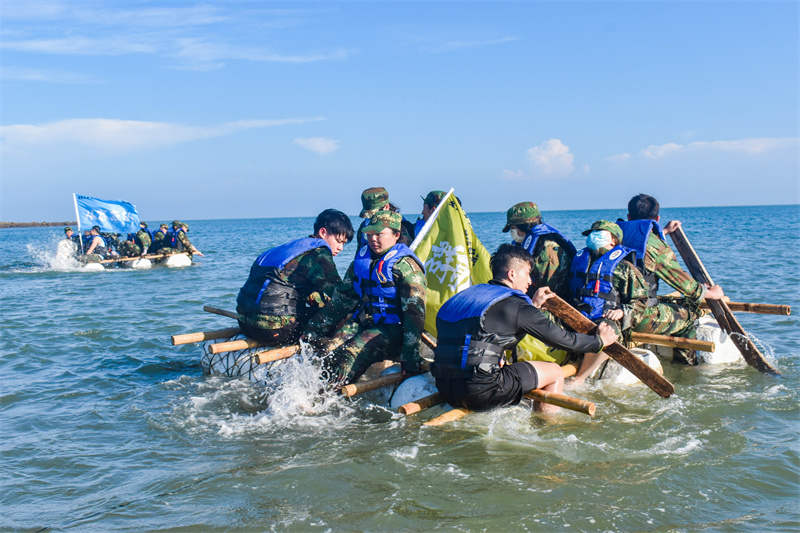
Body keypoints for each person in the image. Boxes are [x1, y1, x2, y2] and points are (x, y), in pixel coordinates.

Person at [431, 244, 617, 414]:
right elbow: (565, 341)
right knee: (555, 371)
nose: (530, 281)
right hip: (481, 392)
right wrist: (600, 341)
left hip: (444, 387)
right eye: (527, 273)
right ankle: (547, 427)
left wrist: (533, 307)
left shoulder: (461, 297)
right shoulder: (517, 306)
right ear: (512, 274)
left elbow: (485, 332)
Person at [569, 220, 711, 383]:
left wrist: (623, 311)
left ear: (613, 241)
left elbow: (640, 301)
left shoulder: (624, 267)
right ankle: (687, 364)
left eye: (599, 234)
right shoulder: (581, 261)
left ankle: (579, 378)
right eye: (591, 234)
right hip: (579, 314)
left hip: (610, 317)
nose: (593, 237)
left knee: (606, 329)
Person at [303, 210, 427, 386]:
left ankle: (330, 399)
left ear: (396, 235)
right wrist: (311, 331)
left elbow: (415, 315)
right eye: (369, 234)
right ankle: (314, 393)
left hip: (394, 331)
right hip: (364, 322)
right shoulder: (361, 262)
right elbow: (341, 301)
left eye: (379, 234)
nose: (373, 239)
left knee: (350, 352)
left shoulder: (407, 268)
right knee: (329, 350)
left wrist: (410, 355)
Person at [236, 209, 354, 345]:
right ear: (323, 232)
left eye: (344, 243)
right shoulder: (319, 254)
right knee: (337, 315)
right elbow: (340, 297)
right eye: (339, 241)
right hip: (274, 329)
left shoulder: (291, 248)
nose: (341, 248)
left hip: (244, 322)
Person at [502, 201, 576, 300]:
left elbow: (549, 292)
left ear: (523, 226)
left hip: (549, 308)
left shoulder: (548, 250)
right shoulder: (526, 245)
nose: (512, 232)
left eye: (513, 228)